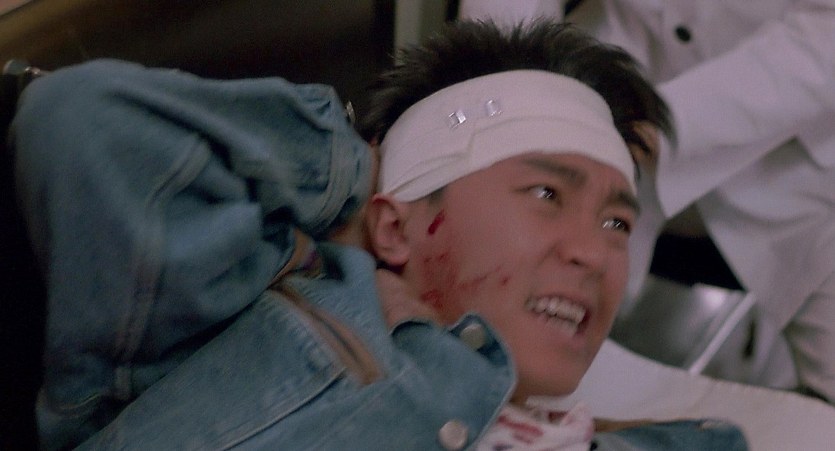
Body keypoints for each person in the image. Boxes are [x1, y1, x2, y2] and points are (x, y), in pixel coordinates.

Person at [11, 20, 745, 449]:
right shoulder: (260, 312)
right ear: (395, 224)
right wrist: (355, 187)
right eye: (546, 194)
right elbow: (86, 123)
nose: (594, 252)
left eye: (617, 221)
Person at [460, 0, 835, 402]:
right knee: (514, 340)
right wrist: (513, 101)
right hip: (611, 91)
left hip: (795, 158)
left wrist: (667, 122)